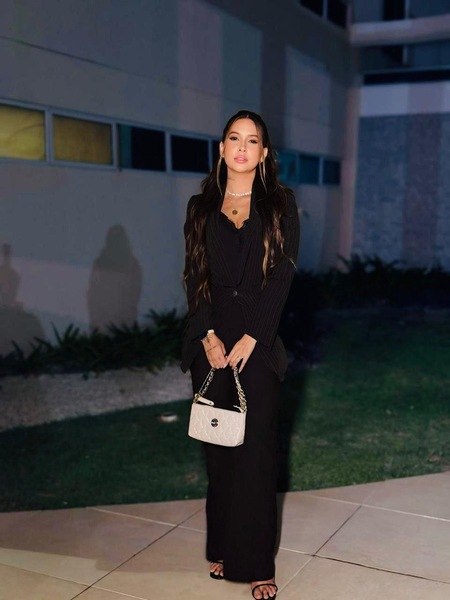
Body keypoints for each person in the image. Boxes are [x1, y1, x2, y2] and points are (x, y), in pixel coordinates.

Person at [182, 110, 300, 600]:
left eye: (253, 141)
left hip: (259, 341)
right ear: (222, 148)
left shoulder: (280, 205)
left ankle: (256, 564)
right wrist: (207, 335)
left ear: (264, 153)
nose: (243, 148)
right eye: (235, 138)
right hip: (210, 340)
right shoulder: (200, 207)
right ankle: (222, 546)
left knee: (256, 455)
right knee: (220, 451)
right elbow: (195, 276)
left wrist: (254, 335)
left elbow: (283, 274)